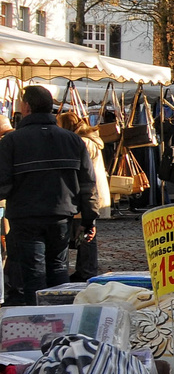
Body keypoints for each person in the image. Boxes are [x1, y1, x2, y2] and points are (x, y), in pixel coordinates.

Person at [0, 85, 97, 305]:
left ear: (26, 107)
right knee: (58, 268)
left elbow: (2, 183)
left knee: (33, 273)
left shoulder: (11, 142)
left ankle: (39, 322)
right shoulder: (73, 140)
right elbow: (88, 184)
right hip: (61, 216)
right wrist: (89, 220)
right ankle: (61, 320)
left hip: (26, 217)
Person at [60, 114, 111, 280]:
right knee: (86, 232)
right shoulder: (90, 140)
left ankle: (86, 271)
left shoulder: (83, 142)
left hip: (86, 193)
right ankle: (85, 269)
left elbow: (81, 172)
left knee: (85, 233)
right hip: (93, 192)